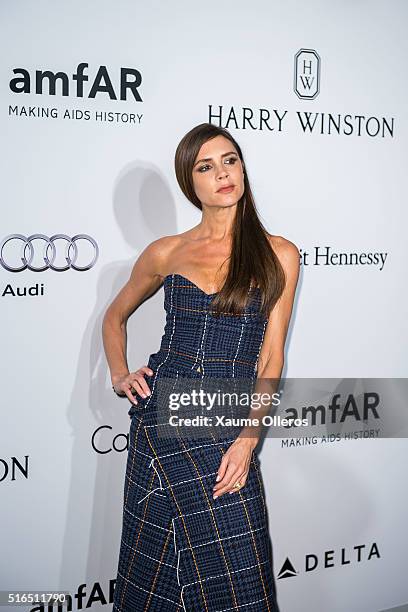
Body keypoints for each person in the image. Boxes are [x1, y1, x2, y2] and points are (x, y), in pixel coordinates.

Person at [102, 122, 299, 611]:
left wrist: (249, 438)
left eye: (230, 160)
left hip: (226, 426)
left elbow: (272, 356)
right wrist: (119, 372)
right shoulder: (166, 252)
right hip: (161, 419)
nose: (223, 174)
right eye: (205, 167)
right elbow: (115, 316)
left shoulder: (280, 254)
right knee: (153, 575)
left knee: (240, 581)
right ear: (190, 183)